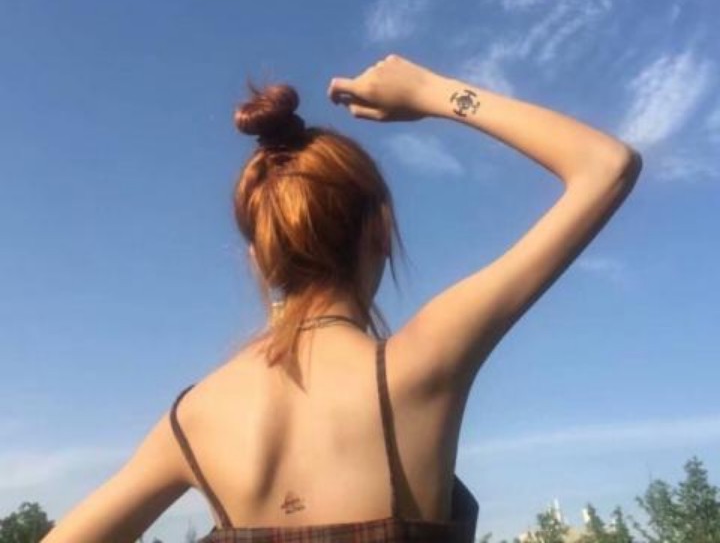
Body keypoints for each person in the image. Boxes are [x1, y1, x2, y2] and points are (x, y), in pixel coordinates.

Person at [41, 54, 642, 543]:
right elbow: (605, 165)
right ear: (379, 230)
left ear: (260, 256)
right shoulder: (422, 362)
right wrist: (434, 92)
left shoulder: (192, 419)